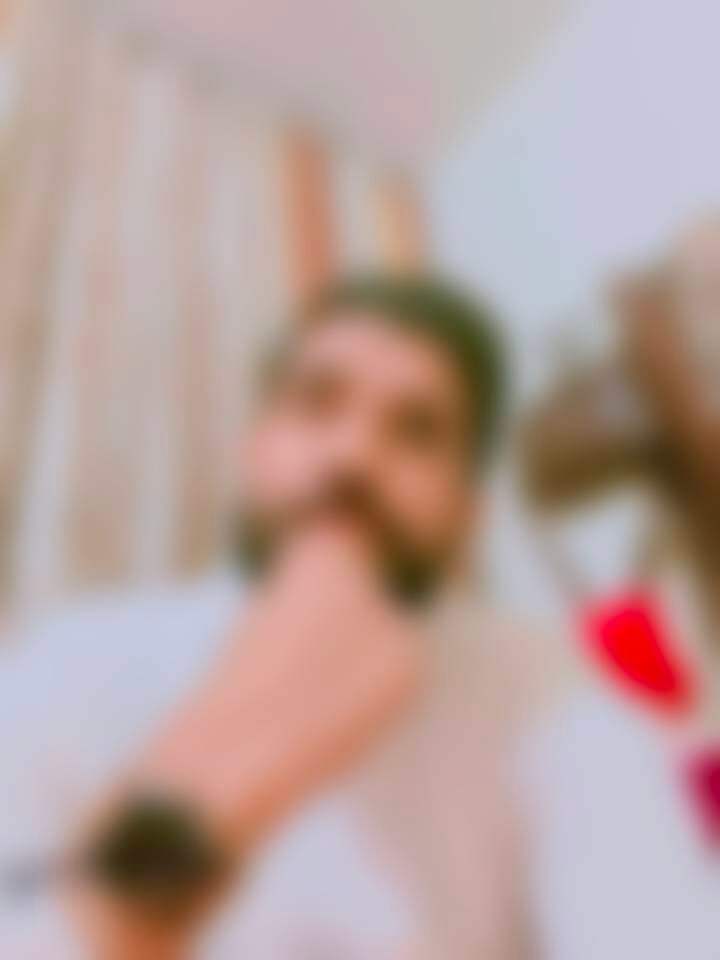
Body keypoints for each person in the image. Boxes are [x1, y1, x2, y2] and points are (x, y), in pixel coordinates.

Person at [2, 272, 700, 960]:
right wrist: (208, 780)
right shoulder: (73, 659)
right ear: (254, 448)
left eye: (418, 431)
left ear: (468, 510)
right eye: (317, 403)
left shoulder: (551, 687)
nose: (353, 454)